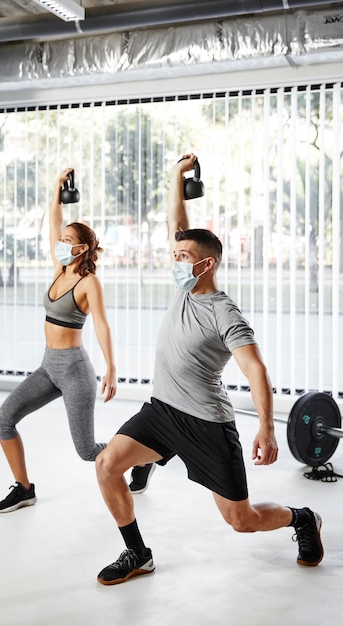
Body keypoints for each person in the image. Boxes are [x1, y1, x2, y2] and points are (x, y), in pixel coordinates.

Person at [94, 153, 324, 585]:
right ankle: (137, 552)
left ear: (206, 264)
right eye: (176, 253)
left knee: (241, 519)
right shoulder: (182, 290)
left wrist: (268, 429)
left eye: (183, 256)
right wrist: (175, 177)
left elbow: (256, 370)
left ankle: (303, 519)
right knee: (107, 464)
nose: (175, 259)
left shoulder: (224, 312)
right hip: (161, 411)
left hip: (206, 423)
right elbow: (179, 225)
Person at [0, 167, 117, 513]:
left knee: (87, 451)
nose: (60, 244)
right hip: (49, 366)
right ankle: (24, 488)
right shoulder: (59, 270)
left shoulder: (89, 282)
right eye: (60, 240)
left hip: (76, 370)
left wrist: (111, 368)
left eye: (67, 241)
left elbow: (103, 326)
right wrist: (55, 189)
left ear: (82, 249)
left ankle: (139, 459)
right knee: (4, 419)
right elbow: (53, 221)